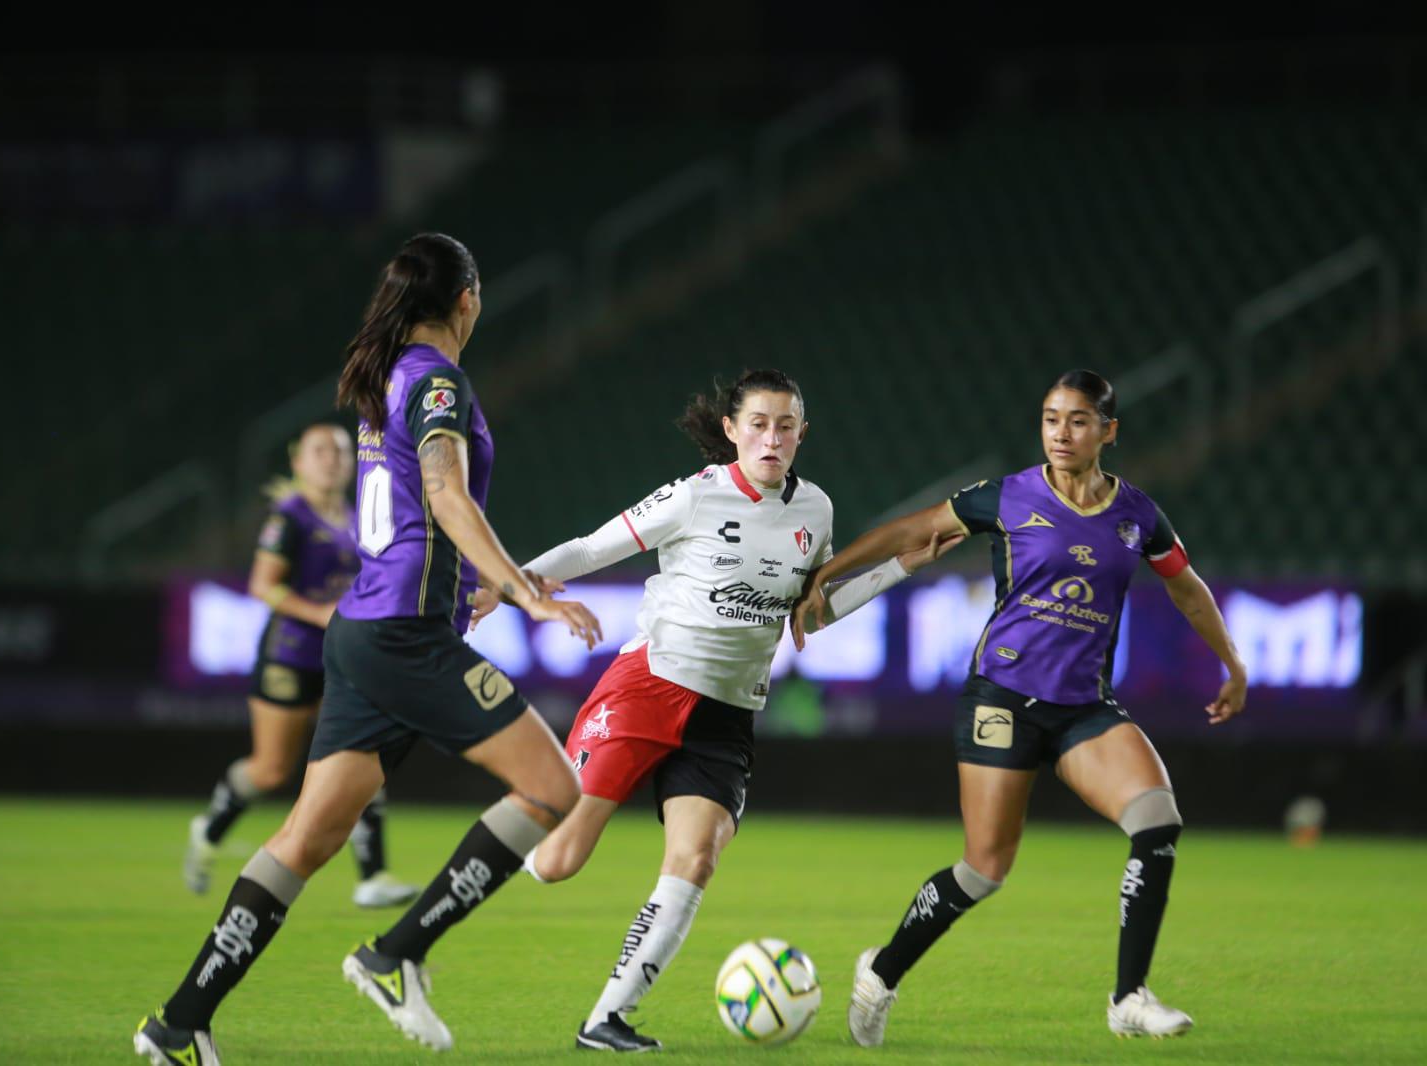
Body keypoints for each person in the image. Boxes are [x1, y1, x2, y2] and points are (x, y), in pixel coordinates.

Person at [133, 233, 602, 1066]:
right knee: (552, 787)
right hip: (402, 636)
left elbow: (421, 527)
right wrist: (530, 596)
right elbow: (446, 497)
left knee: (305, 840)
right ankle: (397, 954)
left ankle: (177, 1022)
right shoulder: (436, 379)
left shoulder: (387, 377)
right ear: (466, 300)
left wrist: (485, 584)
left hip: (365, 633)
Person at [470, 368, 954, 1052]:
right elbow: (590, 548)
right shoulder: (694, 497)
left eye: (786, 426)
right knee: (555, 861)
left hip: (726, 715)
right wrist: (513, 583)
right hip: (647, 688)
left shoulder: (814, 511)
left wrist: (899, 567)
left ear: (801, 435)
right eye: (758, 424)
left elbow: (808, 615)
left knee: (695, 859)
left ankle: (606, 1018)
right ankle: (523, 796)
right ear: (731, 431)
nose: (772, 438)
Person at [793, 369, 1248, 1046]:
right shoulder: (1007, 497)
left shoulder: (1138, 515)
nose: (1061, 433)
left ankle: (1128, 997)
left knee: (1157, 819)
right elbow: (913, 530)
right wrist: (825, 576)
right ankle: (881, 972)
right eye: (1050, 418)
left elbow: (1187, 589)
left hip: (1084, 708)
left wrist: (1233, 663)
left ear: (1108, 432)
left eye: (1078, 420)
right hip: (1002, 700)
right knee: (985, 868)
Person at [183, 421, 419, 909]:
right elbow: (261, 585)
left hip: (346, 659)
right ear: (298, 462)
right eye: (319, 451)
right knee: (271, 771)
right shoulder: (288, 518)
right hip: (290, 655)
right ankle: (209, 828)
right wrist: (319, 612)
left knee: (361, 755)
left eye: (338, 450)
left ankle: (372, 876)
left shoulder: (359, 518)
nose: (331, 458)